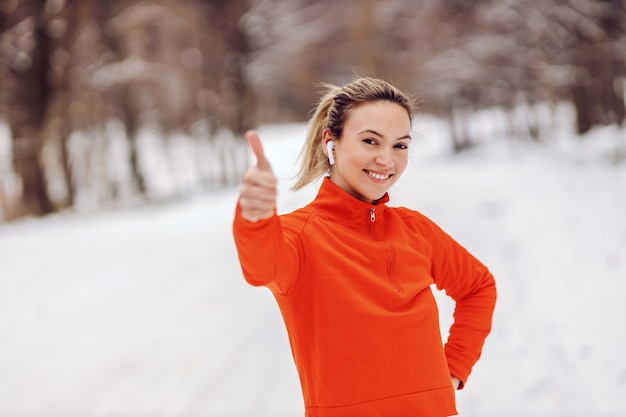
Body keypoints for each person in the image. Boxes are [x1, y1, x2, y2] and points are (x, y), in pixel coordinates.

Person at [232, 77, 496, 417]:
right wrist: (254, 219)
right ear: (332, 143)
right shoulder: (301, 236)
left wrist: (454, 368)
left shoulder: (416, 230)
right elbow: (261, 266)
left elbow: (478, 286)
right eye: (371, 141)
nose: (387, 160)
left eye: (400, 146)